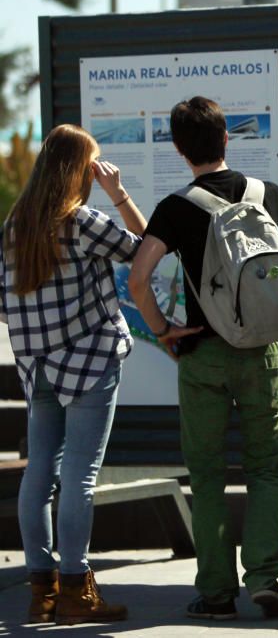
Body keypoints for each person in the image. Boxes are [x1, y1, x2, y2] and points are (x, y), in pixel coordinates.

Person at [127, 96, 278, 621]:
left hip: (203, 352)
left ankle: (218, 593)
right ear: (227, 139)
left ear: (180, 150)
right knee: (265, 468)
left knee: (206, 475)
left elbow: (138, 280)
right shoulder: (263, 193)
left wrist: (164, 332)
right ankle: (266, 578)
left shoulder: (178, 207)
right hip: (263, 349)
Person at [0, 125, 146, 624]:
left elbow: (4, 303)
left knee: (39, 472)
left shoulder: (14, 225)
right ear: (80, 170)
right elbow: (145, 247)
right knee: (80, 476)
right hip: (89, 362)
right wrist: (118, 192)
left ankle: (41, 589)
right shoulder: (81, 220)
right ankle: (76, 591)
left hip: (37, 366)